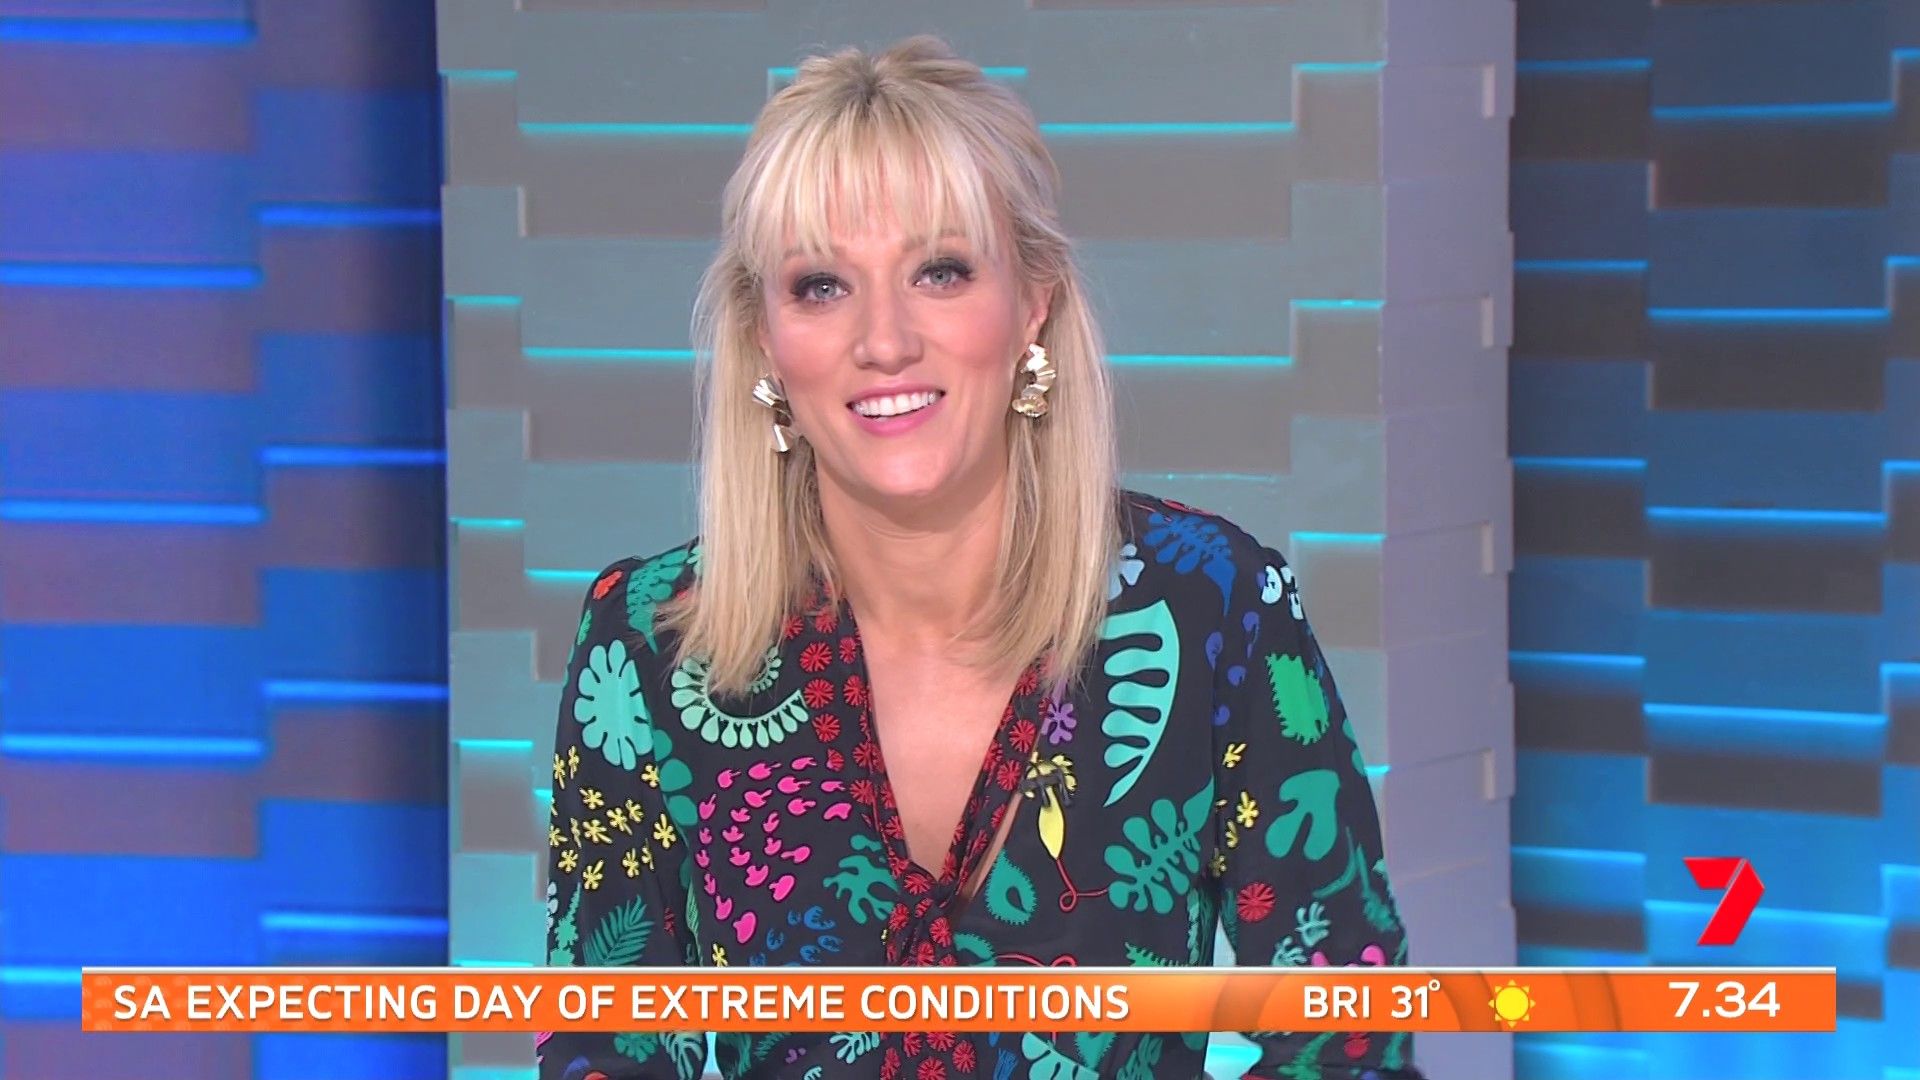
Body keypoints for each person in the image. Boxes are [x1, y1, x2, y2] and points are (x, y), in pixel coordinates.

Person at [538, 34, 1425, 1080]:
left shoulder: (1212, 603)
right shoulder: (644, 639)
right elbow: (604, 1049)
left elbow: (1345, 1032)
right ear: (763, 337)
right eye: (821, 285)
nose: (884, 340)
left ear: (1033, 299)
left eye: (941, 271)